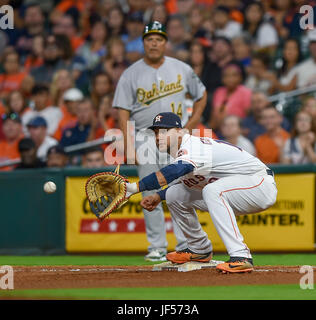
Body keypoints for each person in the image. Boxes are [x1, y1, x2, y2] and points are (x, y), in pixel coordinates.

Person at [125, 112, 277, 273]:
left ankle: (241, 256)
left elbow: (175, 171)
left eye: (164, 131)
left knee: (213, 190)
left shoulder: (193, 146)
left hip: (259, 184)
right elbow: (182, 181)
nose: (158, 137)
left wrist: (134, 188)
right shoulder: (180, 154)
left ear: (180, 132)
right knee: (173, 194)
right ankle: (199, 249)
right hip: (239, 188)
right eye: (156, 133)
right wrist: (158, 196)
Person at [113, 21, 207, 262]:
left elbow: (201, 94)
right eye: (149, 39)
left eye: (159, 39)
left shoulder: (182, 68)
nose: (154, 43)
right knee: (149, 188)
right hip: (145, 136)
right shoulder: (131, 73)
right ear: (143, 43)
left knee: (180, 188)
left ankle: (185, 244)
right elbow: (122, 111)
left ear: (166, 43)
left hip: (176, 135)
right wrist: (128, 142)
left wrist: (191, 123)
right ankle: (157, 245)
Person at [209, 63, 251, 130]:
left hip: (236, 130)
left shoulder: (246, 92)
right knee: (196, 133)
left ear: (240, 78)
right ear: (222, 78)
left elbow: (248, 117)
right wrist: (208, 132)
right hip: (217, 129)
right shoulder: (219, 91)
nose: (230, 79)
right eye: (226, 76)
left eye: (234, 75)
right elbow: (213, 117)